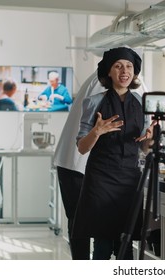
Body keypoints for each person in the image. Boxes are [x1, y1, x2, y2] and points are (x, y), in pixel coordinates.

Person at [72, 47, 155, 260]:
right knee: (102, 242)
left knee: (125, 243)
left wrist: (150, 139)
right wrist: (97, 131)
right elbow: (82, 147)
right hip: (101, 178)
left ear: (134, 72)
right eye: (118, 66)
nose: (124, 71)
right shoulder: (93, 102)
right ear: (109, 72)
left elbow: (143, 149)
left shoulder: (141, 102)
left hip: (129, 178)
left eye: (128, 66)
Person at [53, 72, 105, 259]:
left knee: (82, 223)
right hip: (78, 163)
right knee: (82, 224)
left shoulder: (98, 78)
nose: (125, 72)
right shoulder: (103, 84)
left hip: (74, 162)